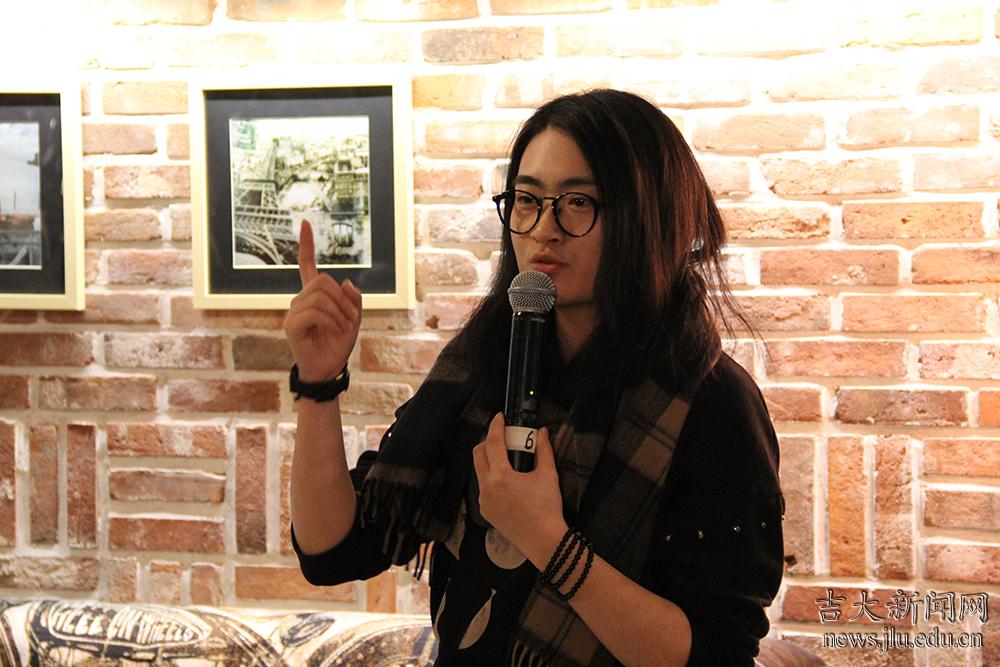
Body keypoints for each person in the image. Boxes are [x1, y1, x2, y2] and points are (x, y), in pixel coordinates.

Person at [285, 89, 784, 666]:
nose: (544, 228)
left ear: (647, 216)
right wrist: (318, 383)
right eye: (527, 200)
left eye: (578, 202)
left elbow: (717, 652)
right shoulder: (477, 370)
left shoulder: (711, 402)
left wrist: (546, 539)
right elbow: (332, 550)